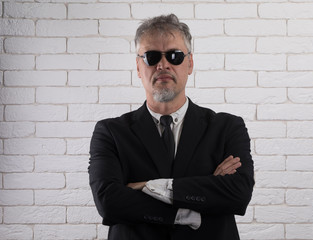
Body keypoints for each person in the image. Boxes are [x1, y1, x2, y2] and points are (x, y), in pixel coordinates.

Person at [89, 14, 254, 240]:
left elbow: (238, 194)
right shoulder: (111, 132)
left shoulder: (227, 127)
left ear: (190, 64)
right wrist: (204, 192)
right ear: (138, 66)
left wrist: (148, 186)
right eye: (151, 56)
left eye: (175, 56)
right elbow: (109, 203)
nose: (163, 64)